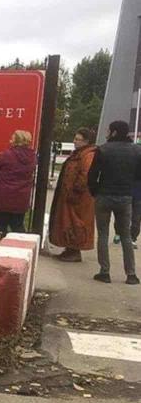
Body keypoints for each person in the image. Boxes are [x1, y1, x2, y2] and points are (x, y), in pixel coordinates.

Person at [88, 120, 141, 285]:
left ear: (115, 132)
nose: (106, 132)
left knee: (103, 234)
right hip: (125, 197)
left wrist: (95, 192)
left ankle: (105, 272)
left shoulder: (103, 149)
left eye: (108, 130)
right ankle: (131, 274)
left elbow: (92, 175)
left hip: (104, 195)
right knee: (125, 235)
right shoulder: (136, 151)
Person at [49, 128, 97, 262]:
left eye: (78, 139)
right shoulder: (79, 154)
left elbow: (85, 175)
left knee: (75, 223)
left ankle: (74, 250)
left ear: (86, 141)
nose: (74, 141)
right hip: (71, 194)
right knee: (68, 222)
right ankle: (70, 248)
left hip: (78, 197)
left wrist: (75, 190)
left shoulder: (87, 155)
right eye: (75, 138)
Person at [0, 130, 37, 236]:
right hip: (21, 196)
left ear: (17, 140)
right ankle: (20, 248)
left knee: (0, 224)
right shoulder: (32, 156)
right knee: (18, 225)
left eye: (13, 137)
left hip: (4, 195)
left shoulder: (8, 154)